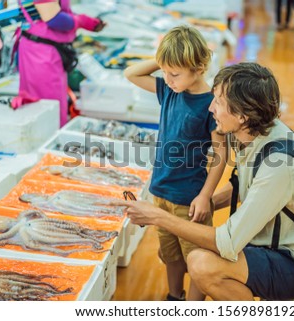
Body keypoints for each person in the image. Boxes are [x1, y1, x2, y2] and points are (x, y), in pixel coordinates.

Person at [115, 62, 294, 300]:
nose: (211, 107)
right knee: (175, 252)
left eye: (219, 102)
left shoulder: (279, 165)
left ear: (242, 115)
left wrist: (157, 216)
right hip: (267, 243)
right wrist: (208, 201)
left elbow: (227, 242)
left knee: (201, 263)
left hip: (293, 263)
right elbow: (246, 185)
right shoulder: (259, 132)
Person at [123, 25, 227, 301]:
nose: (167, 78)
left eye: (174, 73)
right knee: (170, 255)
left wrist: (205, 196)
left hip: (189, 199)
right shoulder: (169, 91)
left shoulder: (211, 104)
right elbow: (130, 73)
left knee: (197, 259)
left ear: (198, 67)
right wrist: (165, 59)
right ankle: (174, 296)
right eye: (165, 71)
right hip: (161, 192)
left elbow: (221, 154)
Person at [13, 0, 106, 127]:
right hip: (41, 54)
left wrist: (81, 19)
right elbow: (53, 19)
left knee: (56, 105)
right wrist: (81, 21)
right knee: (48, 108)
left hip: (49, 49)